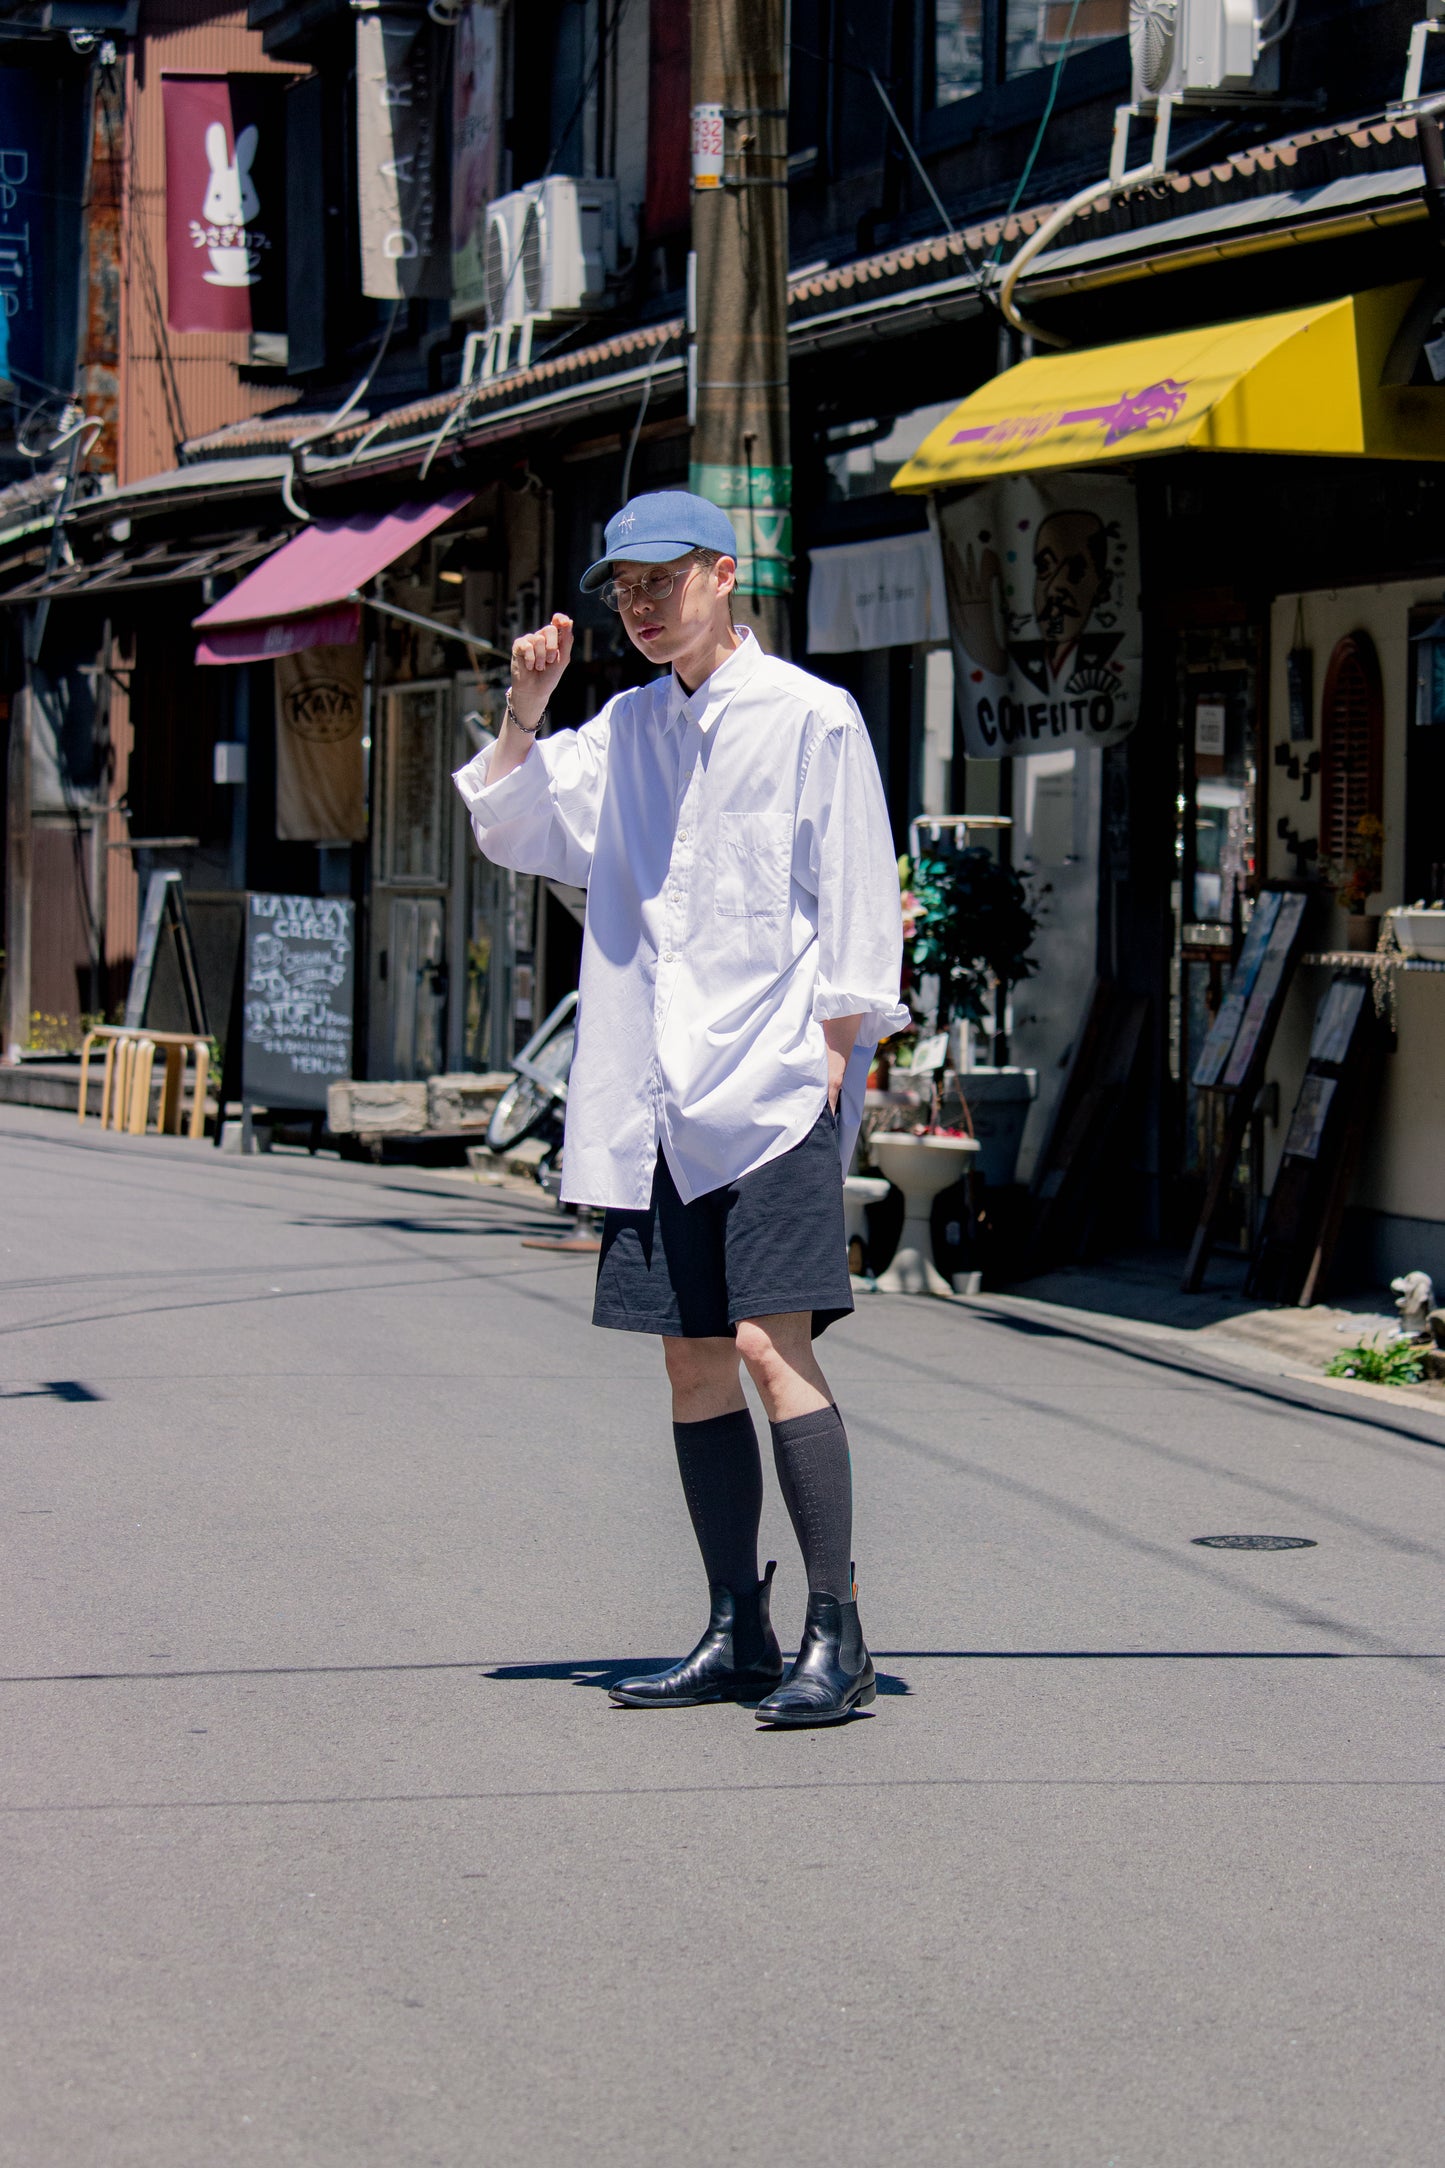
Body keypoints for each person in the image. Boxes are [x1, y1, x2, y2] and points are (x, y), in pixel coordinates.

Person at [454, 489, 908, 1726]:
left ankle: (837, 1630)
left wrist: (838, 1047)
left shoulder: (811, 715)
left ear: (722, 573)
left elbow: (857, 887)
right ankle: (734, 1626)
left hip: (771, 1086)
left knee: (769, 1345)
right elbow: (512, 823)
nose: (641, 606)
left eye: (661, 580)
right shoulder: (624, 727)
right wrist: (525, 705)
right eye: (623, 589)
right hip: (653, 1094)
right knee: (691, 1357)